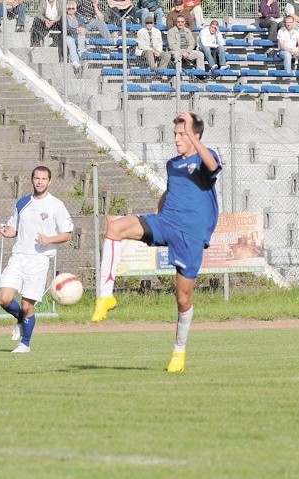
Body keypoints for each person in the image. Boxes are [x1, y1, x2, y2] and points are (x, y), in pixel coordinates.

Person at [90, 112, 222, 373]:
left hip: (190, 235)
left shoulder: (206, 156)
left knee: (183, 298)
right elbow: (172, 189)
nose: (176, 139)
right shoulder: (173, 164)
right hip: (167, 223)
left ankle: (179, 351)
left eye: (182, 134)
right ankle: (105, 297)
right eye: (175, 134)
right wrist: (160, 208)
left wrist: (194, 139)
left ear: (196, 136)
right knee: (115, 228)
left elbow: (213, 167)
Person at [0, 166, 73, 353]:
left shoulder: (56, 205)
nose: (39, 182)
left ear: (49, 181)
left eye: (43, 179)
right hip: (18, 257)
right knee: (4, 299)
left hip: (39, 260)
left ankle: (25, 344)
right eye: (36, 178)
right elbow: (14, 228)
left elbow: (68, 234)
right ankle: (21, 320)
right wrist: (6, 232)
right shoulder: (22, 203)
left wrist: (49, 239)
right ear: (31, 180)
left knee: (26, 305)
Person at [63, 0, 88, 72]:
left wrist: (83, 29)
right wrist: (76, 30)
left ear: (76, 9)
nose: (71, 10)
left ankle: (81, 52)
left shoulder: (79, 16)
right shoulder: (64, 17)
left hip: (77, 35)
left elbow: (83, 25)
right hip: (68, 36)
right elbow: (66, 29)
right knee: (71, 43)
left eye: (73, 8)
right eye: (69, 8)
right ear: (66, 10)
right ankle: (75, 62)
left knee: (82, 34)